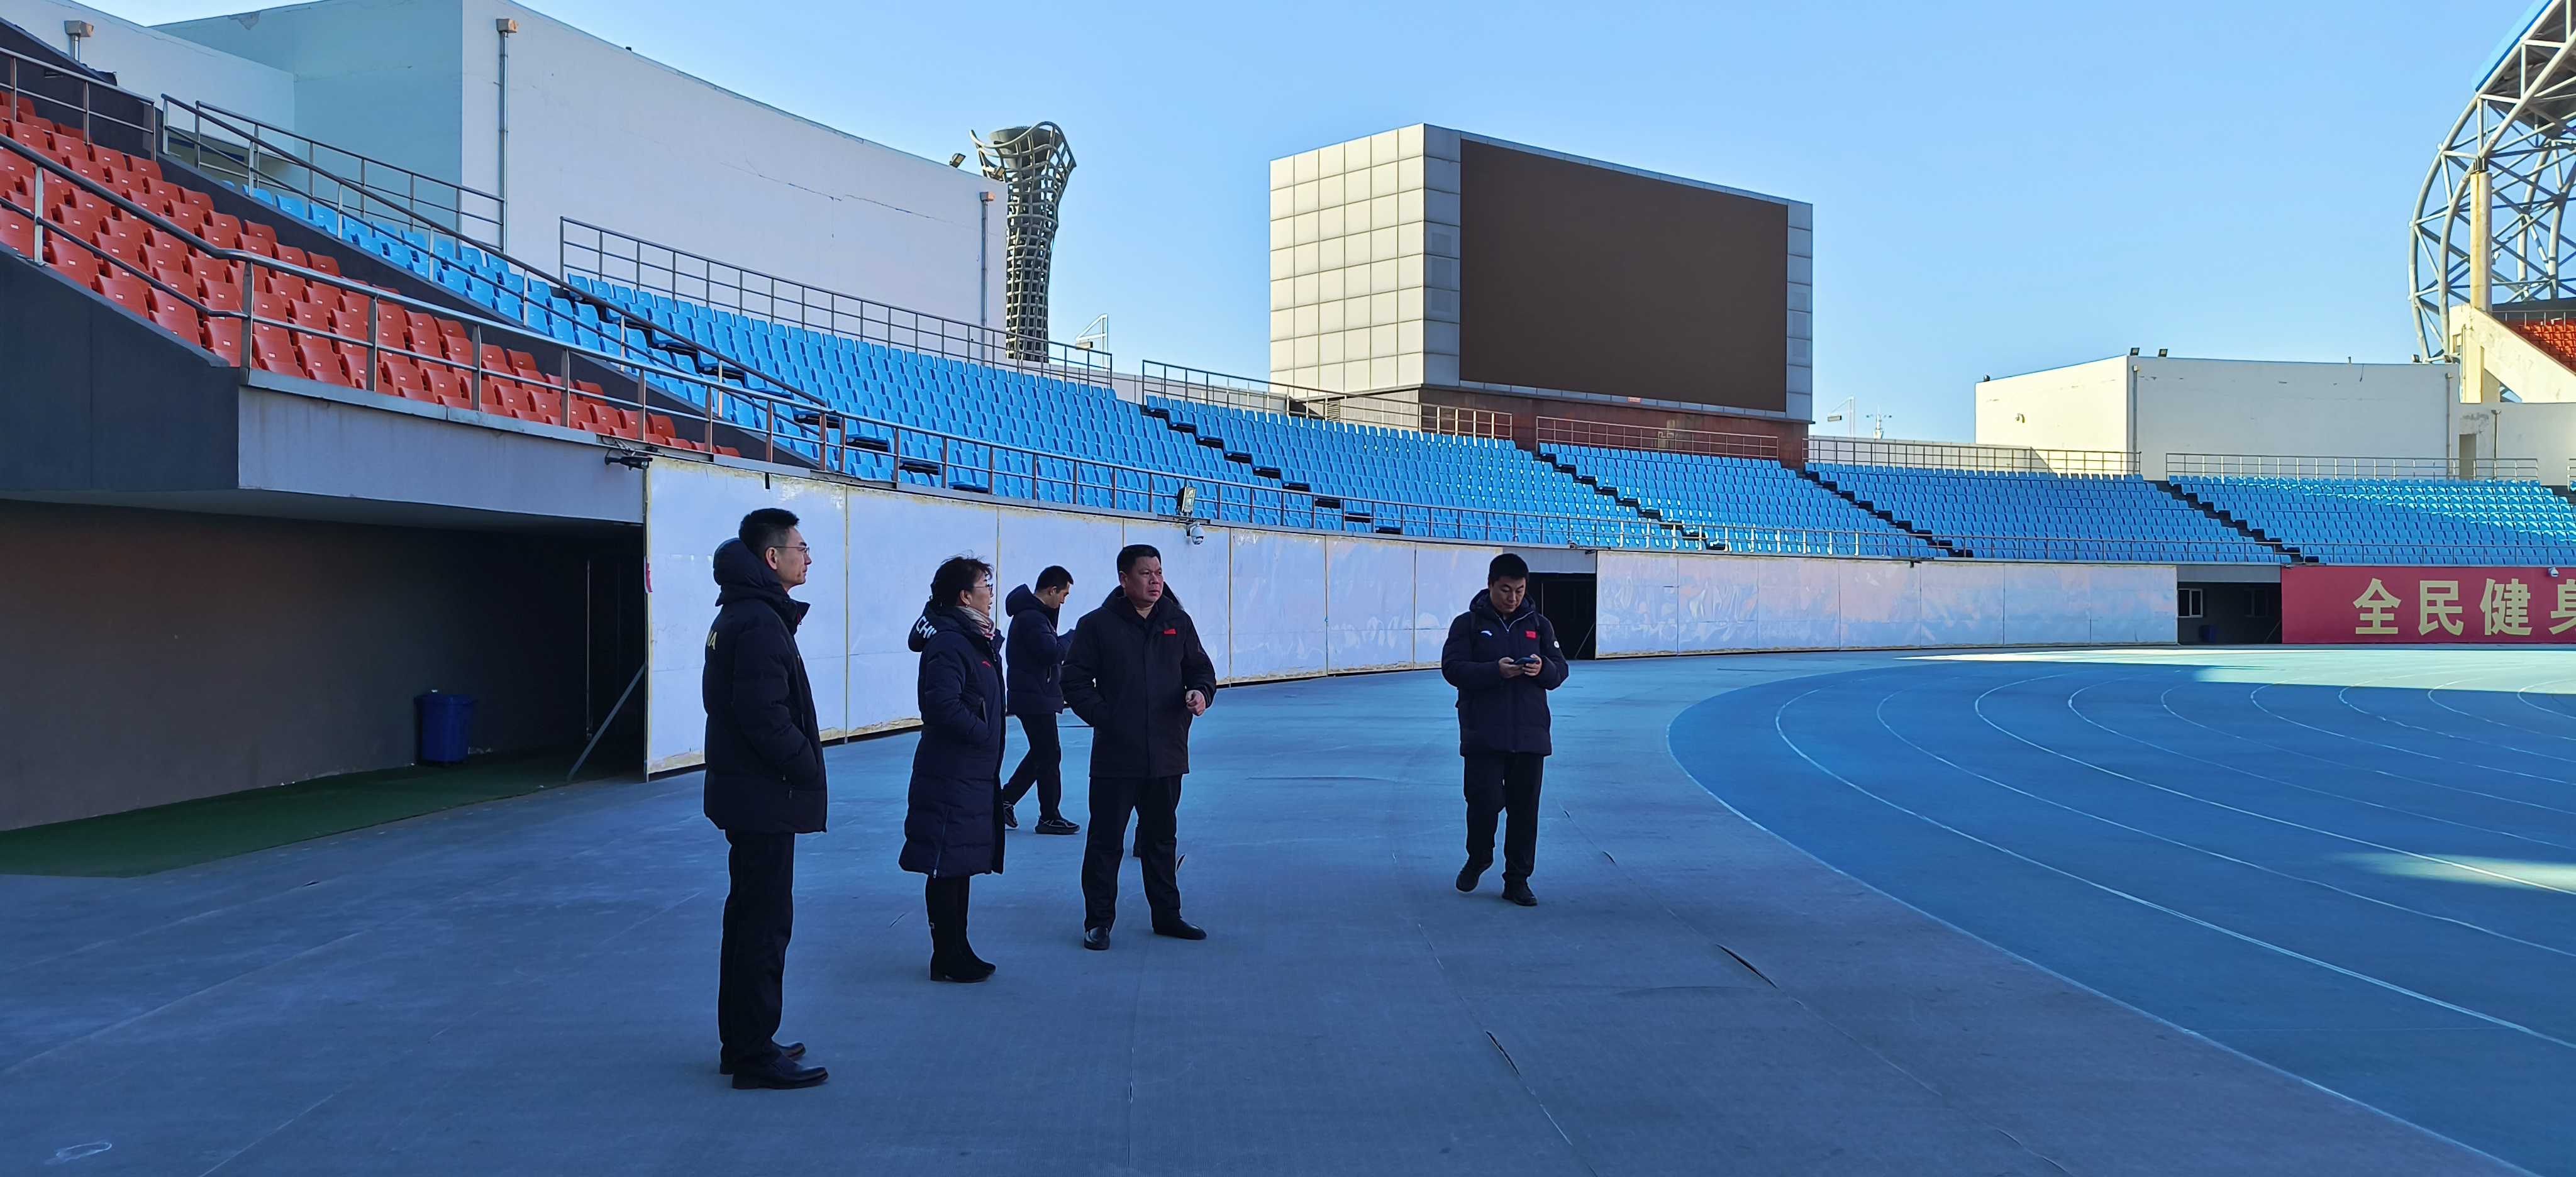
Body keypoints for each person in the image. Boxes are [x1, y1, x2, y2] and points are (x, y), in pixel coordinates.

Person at [702, 507, 830, 1090]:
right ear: (772, 558)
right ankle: (754, 1055)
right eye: (801, 548)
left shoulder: (747, 612)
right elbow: (763, 717)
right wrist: (807, 767)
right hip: (763, 795)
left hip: (752, 795)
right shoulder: (758, 620)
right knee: (764, 925)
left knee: (750, 919)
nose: (809, 557)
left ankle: (745, 1041)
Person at [1061, 544, 1217, 950]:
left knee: (1162, 840)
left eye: (1160, 572)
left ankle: (1167, 915)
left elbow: (1200, 670)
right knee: (1106, 841)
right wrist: (1106, 717)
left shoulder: (1177, 622)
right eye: (1146, 574)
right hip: (1117, 755)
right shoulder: (1096, 625)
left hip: (1166, 752)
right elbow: (1074, 681)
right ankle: (1098, 921)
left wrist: (1200, 694)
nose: (1155, 581)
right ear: (1124, 579)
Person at [1439, 553, 1569, 907]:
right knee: (1483, 802)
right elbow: (1453, 669)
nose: (1513, 598)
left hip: (1530, 735)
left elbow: (1560, 671)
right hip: (1484, 732)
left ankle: (1518, 880)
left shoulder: (1540, 625)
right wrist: (1496, 671)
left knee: (1525, 811)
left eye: (1520, 591)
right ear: (1490, 585)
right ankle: (1480, 855)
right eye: (1506, 590)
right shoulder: (1466, 624)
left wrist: (1541, 669)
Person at [900, 556, 1008, 983]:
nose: (991, 593)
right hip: (951, 772)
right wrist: (981, 733)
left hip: (970, 772)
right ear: (965, 596)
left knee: (960, 864)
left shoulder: (973, 639)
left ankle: (958, 947)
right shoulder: (950, 642)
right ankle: (946, 954)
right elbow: (941, 705)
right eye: (986, 585)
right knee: (946, 864)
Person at [1000, 566, 1080, 835]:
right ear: (1051, 590)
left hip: (1034, 694)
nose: (1064, 601)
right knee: (1048, 754)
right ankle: (1049, 816)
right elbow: (1051, 652)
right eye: (1064, 594)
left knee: (1043, 753)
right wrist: (1073, 636)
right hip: (1034, 696)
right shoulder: (1033, 618)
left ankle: (1005, 800)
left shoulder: (1035, 616)